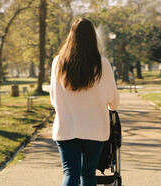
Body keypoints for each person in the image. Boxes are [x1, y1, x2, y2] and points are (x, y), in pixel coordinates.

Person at [49, 18, 120, 186]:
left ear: (71, 36)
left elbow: (54, 99)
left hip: (66, 127)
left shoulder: (58, 62)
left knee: (70, 173)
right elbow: (113, 102)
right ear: (92, 37)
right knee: (87, 174)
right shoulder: (102, 64)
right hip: (94, 130)